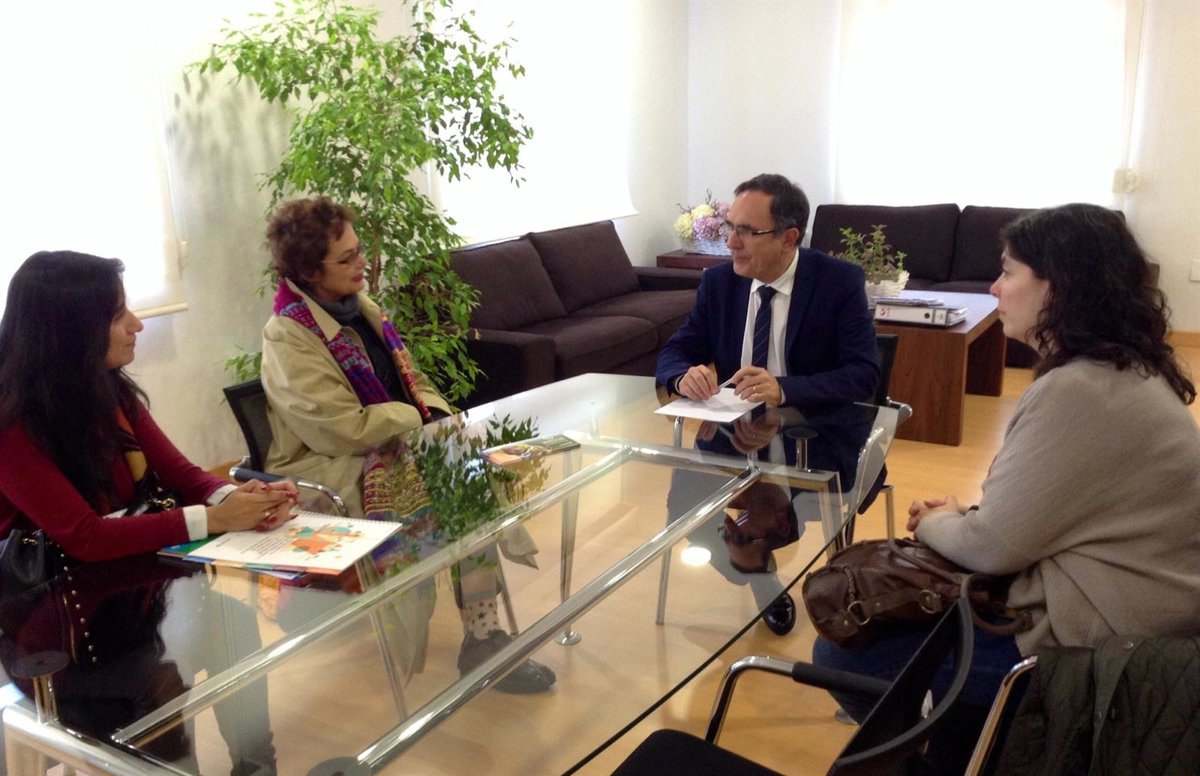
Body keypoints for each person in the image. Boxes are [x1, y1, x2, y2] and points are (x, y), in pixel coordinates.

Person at [812, 203, 1200, 770]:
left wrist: (941, 521)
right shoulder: (1123, 372)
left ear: (1057, 286)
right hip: (1145, 613)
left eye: (1008, 271)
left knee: (842, 654)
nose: (994, 287)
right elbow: (1046, 509)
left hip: (1102, 640)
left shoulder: (1079, 390)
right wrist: (965, 518)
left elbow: (992, 547)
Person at [260, 196, 554, 694]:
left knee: (470, 473)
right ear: (310, 271)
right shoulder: (287, 336)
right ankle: (482, 638)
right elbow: (339, 428)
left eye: (358, 250)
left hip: (392, 446)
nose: (362, 263)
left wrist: (438, 419)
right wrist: (420, 422)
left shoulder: (362, 309)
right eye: (347, 258)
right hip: (328, 468)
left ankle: (483, 636)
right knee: (459, 491)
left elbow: (415, 381)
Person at [0, 252, 297, 563]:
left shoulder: (107, 388)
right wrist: (217, 518)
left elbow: (182, 475)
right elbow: (86, 537)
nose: (137, 325)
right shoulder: (11, 422)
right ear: (69, 333)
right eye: (117, 317)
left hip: (129, 568)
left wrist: (243, 499)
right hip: (56, 585)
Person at [656, 173, 879, 407]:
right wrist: (683, 377)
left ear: (788, 239)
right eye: (730, 227)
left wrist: (783, 390)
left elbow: (863, 374)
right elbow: (676, 351)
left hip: (812, 422)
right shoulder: (719, 283)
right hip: (734, 422)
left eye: (746, 231)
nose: (731, 242)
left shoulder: (838, 282)